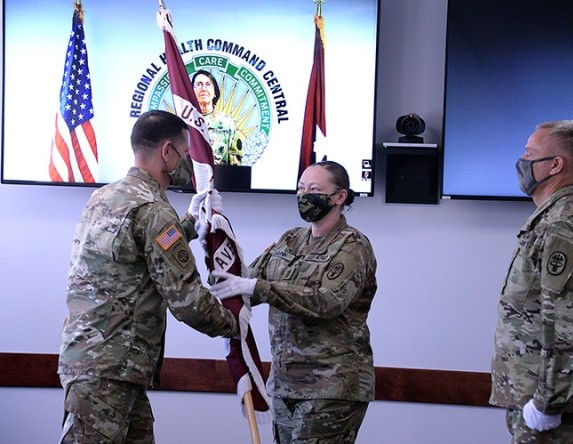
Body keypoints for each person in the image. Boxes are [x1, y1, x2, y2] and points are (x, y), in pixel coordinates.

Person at [58, 110, 238, 443]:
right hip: (113, 367)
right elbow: (187, 300)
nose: (187, 163)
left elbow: (133, 259)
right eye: (185, 154)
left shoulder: (105, 196)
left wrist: (187, 225)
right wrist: (236, 324)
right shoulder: (153, 210)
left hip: (98, 362)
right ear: (167, 152)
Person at [211, 160, 377, 443]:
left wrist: (258, 287)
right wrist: (210, 234)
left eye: (314, 189)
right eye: (300, 188)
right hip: (285, 385)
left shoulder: (353, 246)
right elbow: (244, 280)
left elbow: (327, 302)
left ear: (339, 197)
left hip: (330, 386)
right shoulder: (290, 239)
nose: (304, 195)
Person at [490, 120, 573, 443]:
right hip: (542, 403)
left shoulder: (561, 227)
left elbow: (567, 325)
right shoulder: (552, 220)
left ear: (555, 165)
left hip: (556, 415)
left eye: (530, 154)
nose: (522, 162)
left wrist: (547, 404)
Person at [191, 69, 241, 165]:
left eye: (208, 84)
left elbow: (235, 161)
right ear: (191, 91)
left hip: (220, 177)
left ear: (215, 93)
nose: (203, 88)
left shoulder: (227, 123)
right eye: (199, 84)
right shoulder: (184, 121)